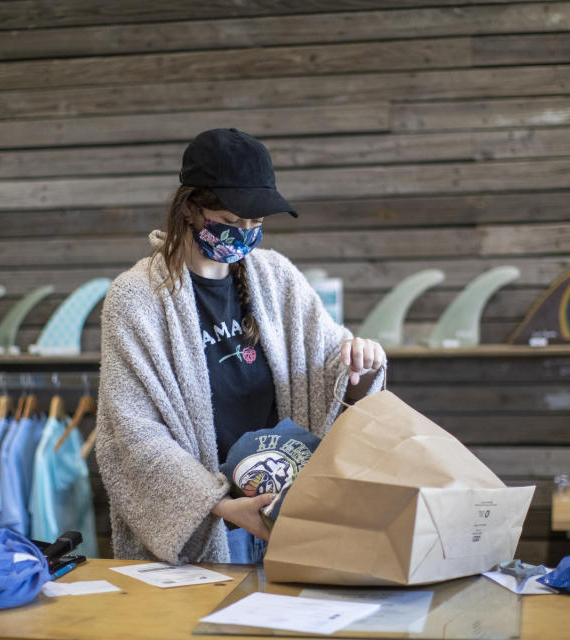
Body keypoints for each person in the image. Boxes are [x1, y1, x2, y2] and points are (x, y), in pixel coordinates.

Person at [96, 128, 386, 564]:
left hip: (288, 514)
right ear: (191, 209)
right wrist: (220, 505)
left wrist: (360, 367)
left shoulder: (276, 277)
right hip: (209, 528)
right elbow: (133, 432)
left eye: (257, 224)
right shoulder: (136, 298)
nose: (245, 235)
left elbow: (331, 366)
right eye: (232, 223)